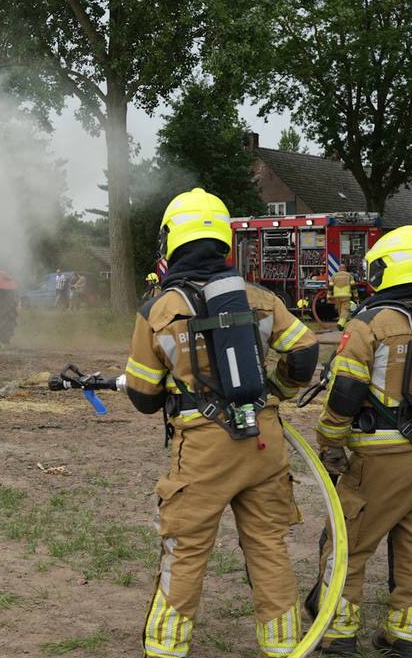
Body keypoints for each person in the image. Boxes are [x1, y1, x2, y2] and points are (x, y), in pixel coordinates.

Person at [122, 188, 319, 658]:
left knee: (186, 548)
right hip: (264, 442)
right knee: (268, 544)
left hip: (204, 448)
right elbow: (305, 350)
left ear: (171, 240)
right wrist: (275, 392)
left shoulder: (158, 310)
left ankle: (166, 649)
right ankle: (283, 645)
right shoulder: (260, 298)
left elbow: (143, 396)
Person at [311, 226, 412, 657]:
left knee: (347, 543)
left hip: (380, 458)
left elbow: (345, 390)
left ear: (388, 269)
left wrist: (330, 441)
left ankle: (338, 632)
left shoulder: (371, 322)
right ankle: (407, 636)